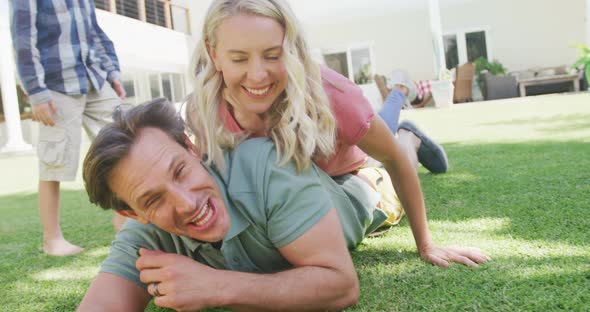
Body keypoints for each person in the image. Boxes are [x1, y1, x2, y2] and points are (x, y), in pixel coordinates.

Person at [78, 99, 487, 311]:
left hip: (360, 188)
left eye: (180, 171)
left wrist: (216, 286)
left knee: (389, 164)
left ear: (192, 148)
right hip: (306, 184)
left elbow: (341, 286)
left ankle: (406, 138)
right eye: (153, 199)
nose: (186, 204)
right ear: (131, 212)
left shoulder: (262, 165)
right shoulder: (143, 237)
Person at [187, 0, 477, 268]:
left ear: (292, 49)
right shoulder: (204, 108)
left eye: (272, 55)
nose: (258, 74)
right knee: (379, 127)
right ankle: (400, 109)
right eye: (239, 59)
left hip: (354, 176)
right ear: (214, 54)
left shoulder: (330, 93)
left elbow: (393, 160)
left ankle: (408, 138)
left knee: (392, 160)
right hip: (304, 176)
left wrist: (426, 245)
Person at [10, 0, 127, 256]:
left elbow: (96, 33)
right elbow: (23, 40)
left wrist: (113, 73)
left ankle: (124, 217)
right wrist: (36, 92)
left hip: (93, 77)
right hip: (55, 85)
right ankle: (52, 239)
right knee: (55, 160)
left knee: (125, 141)